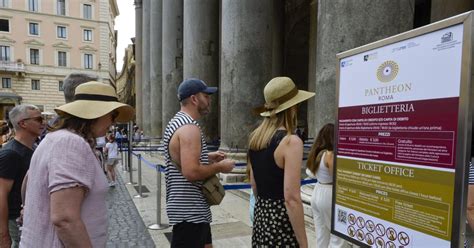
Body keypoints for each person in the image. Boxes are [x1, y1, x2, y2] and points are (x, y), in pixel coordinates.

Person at [20, 81, 134, 247]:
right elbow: (65, 219)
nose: (113, 122)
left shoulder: (56, 138)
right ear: (97, 113)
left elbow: (28, 181)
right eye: (113, 114)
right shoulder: (70, 143)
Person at [163, 78, 235, 248]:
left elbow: (180, 155)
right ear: (194, 99)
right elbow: (191, 172)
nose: (210, 99)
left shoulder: (177, 121)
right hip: (189, 211)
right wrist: (220, 167)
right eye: (206, 95)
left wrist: (208, 156)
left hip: (191, 209)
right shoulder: (189, 128)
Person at [248, 76, 313, 247]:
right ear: (293, 108)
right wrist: (304, 243)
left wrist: (265, 210)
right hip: (281, 224)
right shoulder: (290, 142)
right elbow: (291, 199)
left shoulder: (256, 139)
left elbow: (254, 185)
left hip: (262, 218)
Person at [0, 104, 44, 248]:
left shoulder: (35, 149)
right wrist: (4, 235)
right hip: (15, 222)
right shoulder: (10, 154)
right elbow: (1, 195)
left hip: (30, 218)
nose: (43, 122)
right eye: (38, 119)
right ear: (23, 123)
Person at [306, 123, 348, 248]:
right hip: (329, 193)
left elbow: (310, 173)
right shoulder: (330, 154)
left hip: (318, 191)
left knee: (322, 234)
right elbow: (337, 179)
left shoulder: (317, 153)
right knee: (339, 236)